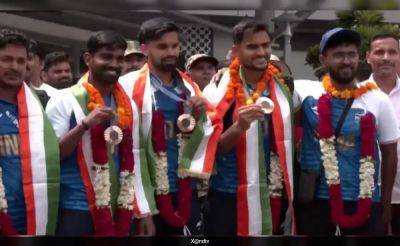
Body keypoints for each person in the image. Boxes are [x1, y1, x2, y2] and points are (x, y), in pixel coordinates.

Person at [119, 17, 221, 236]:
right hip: (145, 190)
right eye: (162, 47)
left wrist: (198, 116)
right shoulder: (126, 86)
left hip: (185, 186)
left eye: (175, 46)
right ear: (145, 48)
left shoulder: (189, 86)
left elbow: (203, 136)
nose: (171, 52)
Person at [46, 30, 154, 236]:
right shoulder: (64, 99)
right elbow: (53, 156)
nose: (114, 64)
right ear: (88, 59)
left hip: (120, 205)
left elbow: (135, 159)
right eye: (106, 56)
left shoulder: (127, 103)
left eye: (119, 59)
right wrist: (83, 126)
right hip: (77, 206)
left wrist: (144, 211)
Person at [294, 28, 399, 235]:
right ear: (324, 59)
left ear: (359, 57)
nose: (346, 61)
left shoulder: (378, 99)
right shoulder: (306, 91)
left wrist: (385, 206)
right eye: (338, 55)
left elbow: (389, 153)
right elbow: (273, 78)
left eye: (351, 54)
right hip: (316, 199)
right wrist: (226, 76)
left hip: (365, 199)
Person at [203, 20, 295, 236]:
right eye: (252, 46)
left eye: (265, 45)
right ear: (236, 50)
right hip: (228, 193)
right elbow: (214, 150)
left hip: (271, 193)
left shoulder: (284, 88)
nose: (261, 52)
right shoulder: (218, 90)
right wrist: (239, 127)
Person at [0, 28, 60, 235]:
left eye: (20, 60)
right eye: (7, 59)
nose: (15, 67)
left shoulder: (41, 103)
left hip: (34, 215)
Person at [366, 33, 400, 235]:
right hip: (368, 195)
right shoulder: (355, 95)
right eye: (379, 52)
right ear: (368, 56)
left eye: (392, 52)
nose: (386, 57)